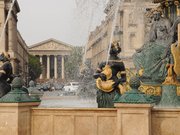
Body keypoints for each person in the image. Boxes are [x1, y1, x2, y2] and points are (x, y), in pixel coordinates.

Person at [133, 9, 180, 84]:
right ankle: (143, 73)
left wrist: (167, 48)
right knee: (137, 55)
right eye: (153, 15)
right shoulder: (155, 23)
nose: (154, 16)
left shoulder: (166, 21)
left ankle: (148, 74)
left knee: (149, 54)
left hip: (164, 45)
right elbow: (152, 39)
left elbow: (171, 35)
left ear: (159, 13)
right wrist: (152, 29)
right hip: (156, 44)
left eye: (155, 14)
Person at [94, 42, 126, 108]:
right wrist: (100, 75)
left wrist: (118, 82)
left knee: (113, 103)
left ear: (116, 50)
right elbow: (95, 75)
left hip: (114, 86)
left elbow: (124, 78)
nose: (111, 49)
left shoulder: (120, 63)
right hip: (103, 87)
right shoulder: (104, 62)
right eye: (110, 47)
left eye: (112, 47)